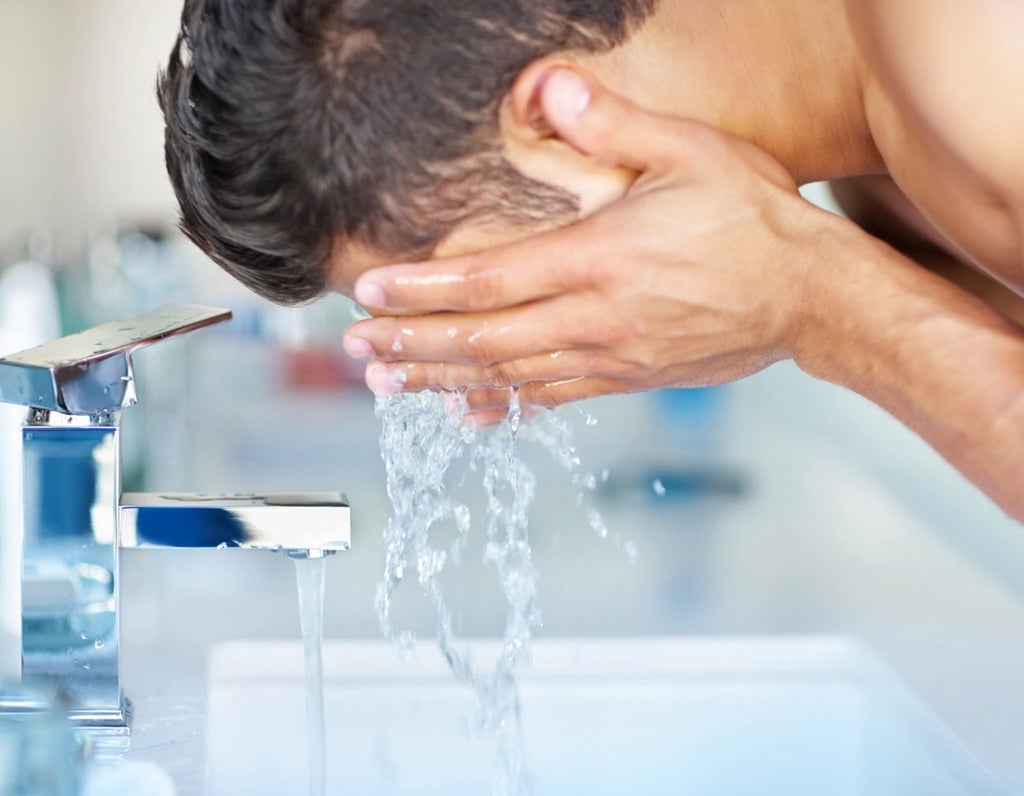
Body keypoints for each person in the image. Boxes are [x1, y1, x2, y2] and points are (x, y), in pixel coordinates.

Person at [160, 0, 1024, 521]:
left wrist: (817, 299)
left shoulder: (982, 62)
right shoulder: (884, 179)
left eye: (474, 294)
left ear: (557, 123)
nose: (495, 356)